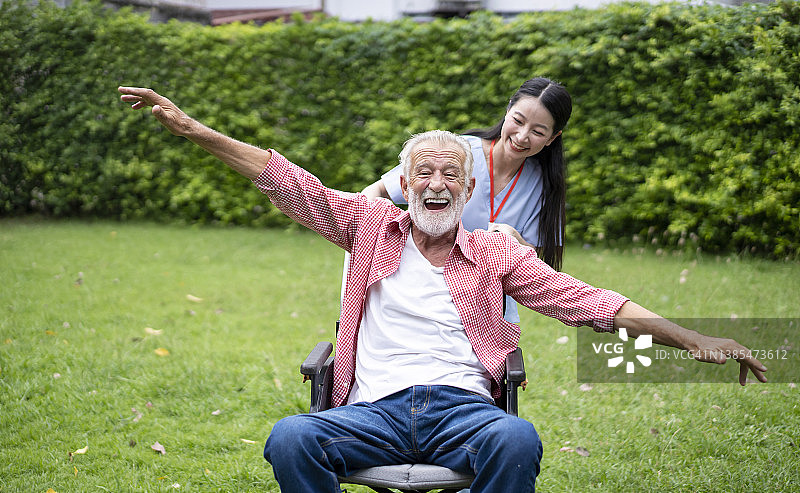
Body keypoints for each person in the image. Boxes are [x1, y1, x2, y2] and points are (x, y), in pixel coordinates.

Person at [119, 86, 768, 493]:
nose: (435, 182)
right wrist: (196, 131)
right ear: (404, 182)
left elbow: (592, 302)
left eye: (448, 175)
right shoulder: (369, 224)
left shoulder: (496, 249)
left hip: (462, 409)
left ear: (466, 190)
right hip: (371, 409)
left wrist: (697, 338)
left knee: (516, 439)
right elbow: (291, 183)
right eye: (421, 172)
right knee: (292, 436)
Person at [354, 77, 570, 325]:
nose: (522, 136)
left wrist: (516, 240)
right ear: (508, 109)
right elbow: (375, 191)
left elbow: (535, 262)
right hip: (421, 295)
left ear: (552, 138)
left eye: (538, 131)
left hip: (490, 312)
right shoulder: (459, 152)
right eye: (518, 121)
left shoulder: (544, 185)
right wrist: (378, 235)